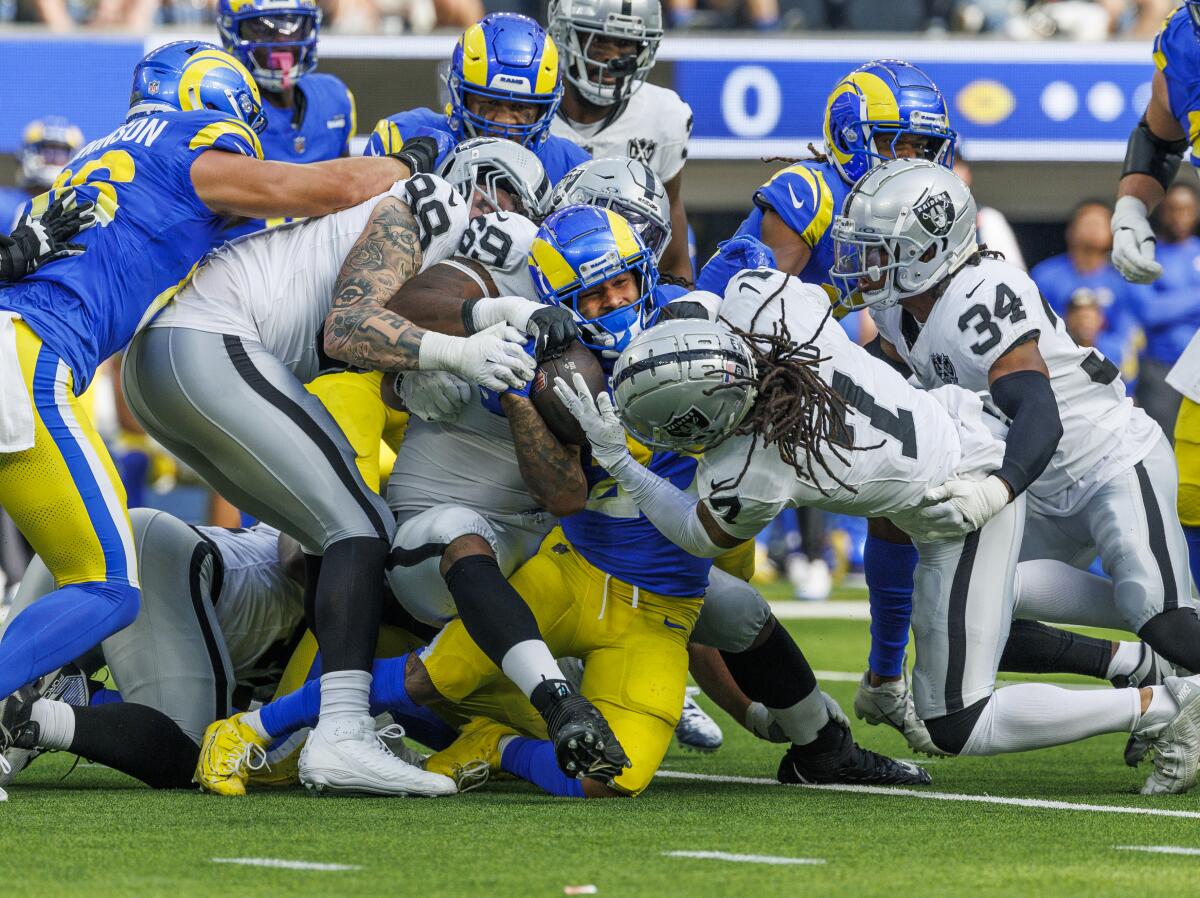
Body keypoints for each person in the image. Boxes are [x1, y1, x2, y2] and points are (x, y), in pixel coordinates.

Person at [556, 261, 1200, 795]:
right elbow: (720, 296)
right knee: (1005, 607)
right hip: (969, 430)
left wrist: (620, 462)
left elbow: (697, 534)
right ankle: (1149, 654)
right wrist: (690, 318)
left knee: (957, 720)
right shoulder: (769, 302)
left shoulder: (754, 464)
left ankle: (1159, 706)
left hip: (961, 504)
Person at [0, 41, 423, 777]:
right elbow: (328, 185)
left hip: (21, 344)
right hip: (31, 355)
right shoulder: (182, 144)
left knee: (87, 571)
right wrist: (410, 171)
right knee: (105, 585)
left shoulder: (104, 154)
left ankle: (32, 705)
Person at [123, 142, 580, 795]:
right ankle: (339, 733)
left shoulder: (437, 253)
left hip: (179, 359)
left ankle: (61, 699)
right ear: (477, 194)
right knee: (360, 525)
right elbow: (349, 327)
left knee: (329, 533)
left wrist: (480, 325)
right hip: (206, 343)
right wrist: (457, 350)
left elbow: (396, 327)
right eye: (503, 208)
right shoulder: (420, 209)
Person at [546, 0, 694, 283]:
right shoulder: (530, 108)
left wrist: (680, 296)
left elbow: (672, 239)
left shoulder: (665, 115)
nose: (613, 57)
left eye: (626, 44)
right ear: (564, 33)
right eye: (600, 40)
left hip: (626, 281)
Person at [364, 13, 590, 184]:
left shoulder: (574, 168)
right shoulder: (402, 135)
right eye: (491, 103)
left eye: (520, 107)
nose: (505, 121)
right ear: (459, 94)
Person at [217, 0, 357, 238]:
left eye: (294, 26)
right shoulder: (222, 107)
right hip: (240, 259)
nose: (283, 40)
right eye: (264, 28)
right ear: (232, 31)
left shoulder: (334, 97)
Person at [1030, 200, 1142, 383]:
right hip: (1057, 368)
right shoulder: (1046, 274)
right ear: (1070, 231)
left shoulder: (1121, 280)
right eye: (1087, 221)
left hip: (1109, 369)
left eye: (1100, 222)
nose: (1093, 227)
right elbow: (1035, 327)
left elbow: (1128, 332)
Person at [1133, 181, 1200, 436]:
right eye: (1172, 209)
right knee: (1163, 443)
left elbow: (1162, 308)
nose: (1178, 216)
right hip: (1161, 368)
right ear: (1161, 211)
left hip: (1199, 366)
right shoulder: (1146, 256)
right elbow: (1149, 311)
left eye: (1186, 209)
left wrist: (1173, 300)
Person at [0, 117, 84, 234]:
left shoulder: (83, 209)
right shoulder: (5, 204)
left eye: (60, 153)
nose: (54, 159)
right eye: (48, 152)